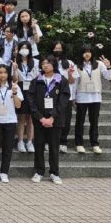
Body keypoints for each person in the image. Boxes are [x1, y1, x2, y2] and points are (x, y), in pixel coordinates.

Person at [26, 55, 71, 185]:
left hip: (55, 120)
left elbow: (63, 101)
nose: (45, 65)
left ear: (54, 64)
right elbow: (30, 100)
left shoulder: (61, 80)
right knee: (39, 146)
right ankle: (39, 171)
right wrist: (40, 117)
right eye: (43, 63)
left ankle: (54, 173)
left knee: (54, 147)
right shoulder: (36, 81)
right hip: (39, 120)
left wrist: (52, 117)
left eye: (48, 63)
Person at [74, 45, 111, 154]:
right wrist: (73, 98)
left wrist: (109, 66)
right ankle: (79, 144)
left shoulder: (99, 64)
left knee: (94, 121)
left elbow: (109, 77)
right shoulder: (77, 66)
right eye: (85, 52)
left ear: (92, 53)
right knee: (80, 121)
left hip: (95, 97)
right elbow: (75, 83)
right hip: (82, 97)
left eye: (89, 51)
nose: (87, 54)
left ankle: (95, 144)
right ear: (81, 54)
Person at [52, 41, 78, 153]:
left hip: (66, 96)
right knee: (52, 118)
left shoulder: (69, 63)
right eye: (55, 48)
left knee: (66, 120)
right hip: (52, 96)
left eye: (60, 48)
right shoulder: (49, 62)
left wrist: (70, 74)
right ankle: (50, 141)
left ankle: (63, 142)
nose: (58, 50)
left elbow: (72, 82)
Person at [15, 41, 39, 153]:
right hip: (20, 88)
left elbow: (38, 76)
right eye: (22, 48)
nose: (24, 50)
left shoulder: (36, 62)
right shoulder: (15, 62)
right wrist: (15, 69)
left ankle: (29, 141)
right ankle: (20, 141)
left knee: (30, 118)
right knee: (21, 117)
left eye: (26, 48)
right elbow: (14, 79)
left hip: (32, 89)